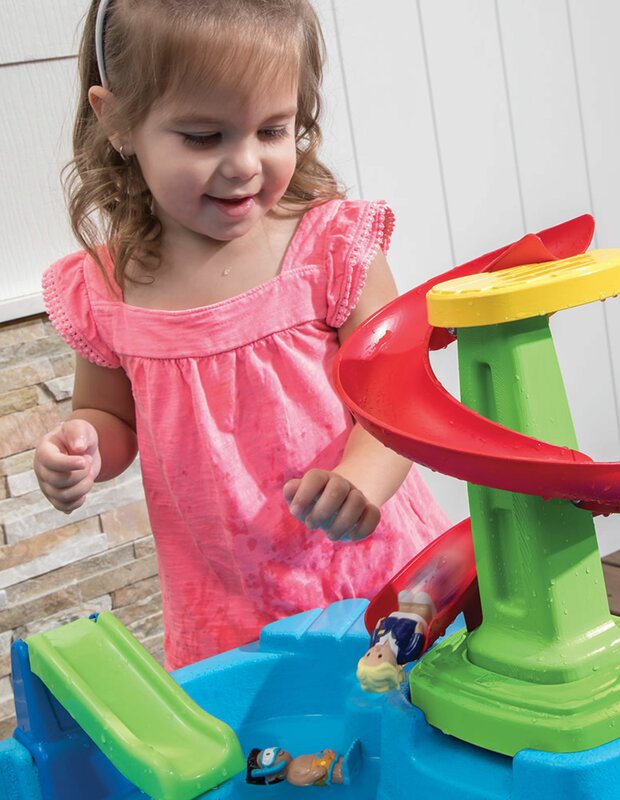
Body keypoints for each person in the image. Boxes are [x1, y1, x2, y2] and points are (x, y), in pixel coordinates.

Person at [33, 0, 449, 670]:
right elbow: (108, 414)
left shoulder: (330, 249)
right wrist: (82, 448)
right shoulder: (110, 289)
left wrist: (363, 478)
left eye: (272, 130)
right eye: (204, 137)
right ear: (118, 121)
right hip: (228, 608)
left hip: (372, 577)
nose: (245, 164)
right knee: (279, 763)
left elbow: (401, 391)